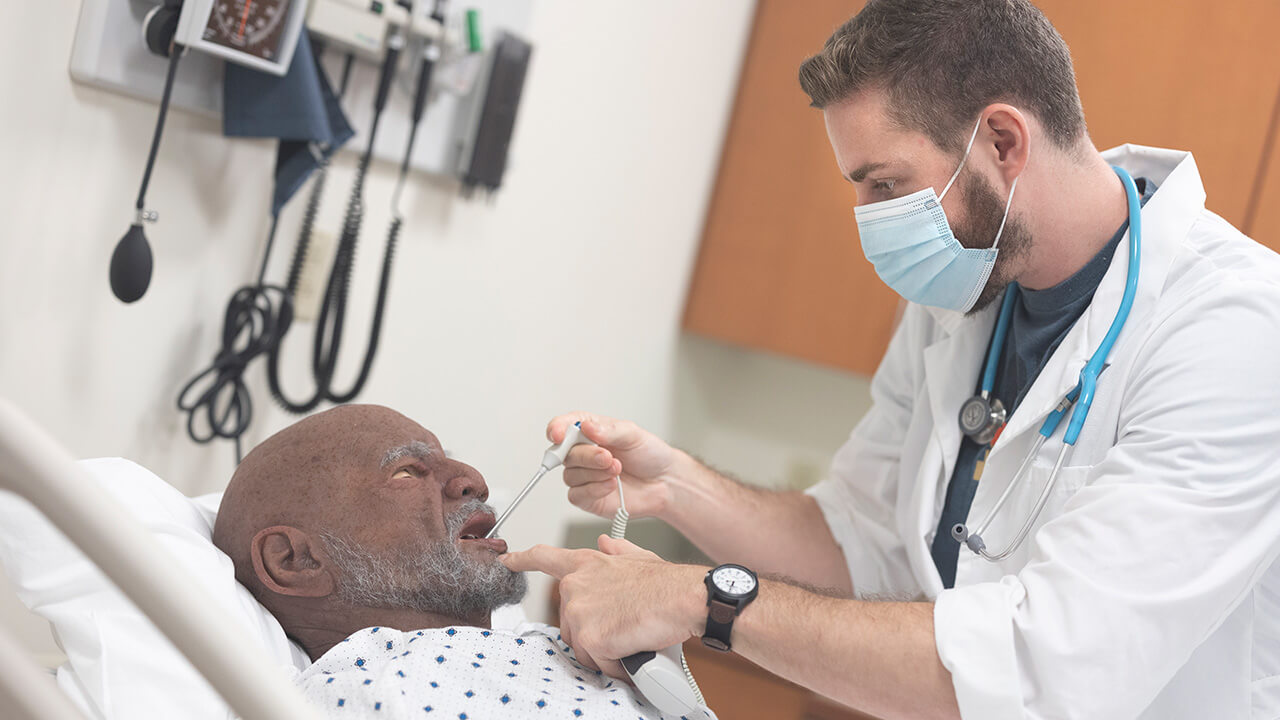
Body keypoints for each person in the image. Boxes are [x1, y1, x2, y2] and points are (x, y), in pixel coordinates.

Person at [498, 1, 1280, 719]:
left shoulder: (1232, 331)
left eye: (885, 183)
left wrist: (707, 600)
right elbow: (862, 546)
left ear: (1003, 141)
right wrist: (679, 486)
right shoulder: (966, 285)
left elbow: (1045, 669)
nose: (869, 221)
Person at [213, 404, 705, 719]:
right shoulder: (375, 695)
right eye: (407, 472)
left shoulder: (576, 648)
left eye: (451, 458)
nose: (472, 479)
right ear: (296, 561)